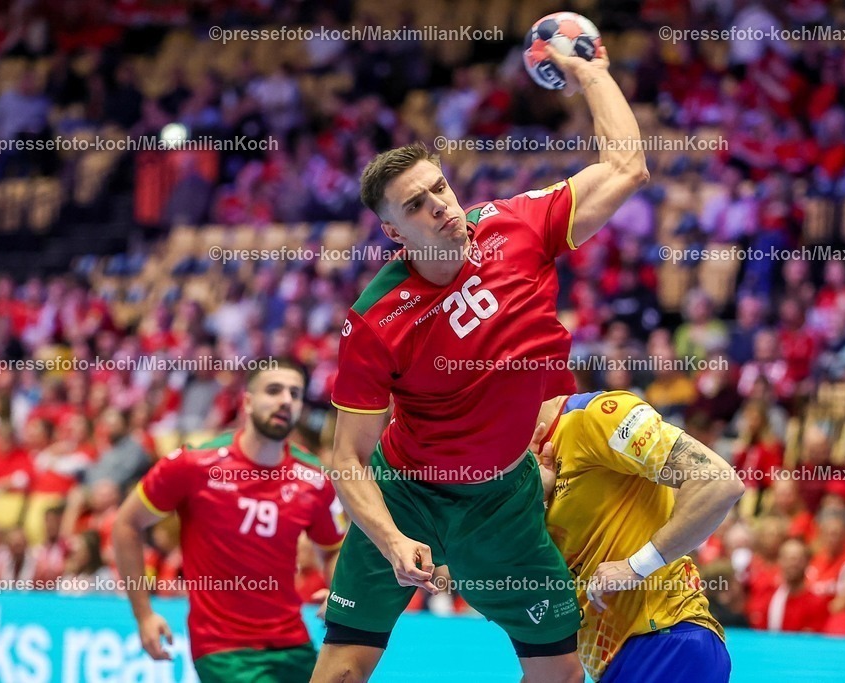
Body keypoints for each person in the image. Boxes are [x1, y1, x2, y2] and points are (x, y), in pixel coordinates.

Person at [315, 45, 650, 683]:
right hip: (406, 493)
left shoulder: (516, 227)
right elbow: (347, 460)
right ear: (393, 233)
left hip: (503, 500)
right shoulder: (375, 319)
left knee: (559, 675)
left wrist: (590, 72)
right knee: (341, 672)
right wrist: (390, 541)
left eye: (439, 188)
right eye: (416, 205)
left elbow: (627, 167)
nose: (440, 205)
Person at [113, 361, 345, 683]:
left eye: (295, 394)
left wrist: (339, 587)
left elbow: (333, 549)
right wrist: (144, 615)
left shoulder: (314, 479)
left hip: (293, 642)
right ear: (247, 402)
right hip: (223, 649)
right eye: (274, 390)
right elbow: (126, 524)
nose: (286, 401)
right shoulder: (194, 465)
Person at [534, 390, 743, 682]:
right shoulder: (520, 471)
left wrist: (636, 565)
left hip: (666, 641)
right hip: (615, 660)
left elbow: (718, 482)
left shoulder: (598, 415)